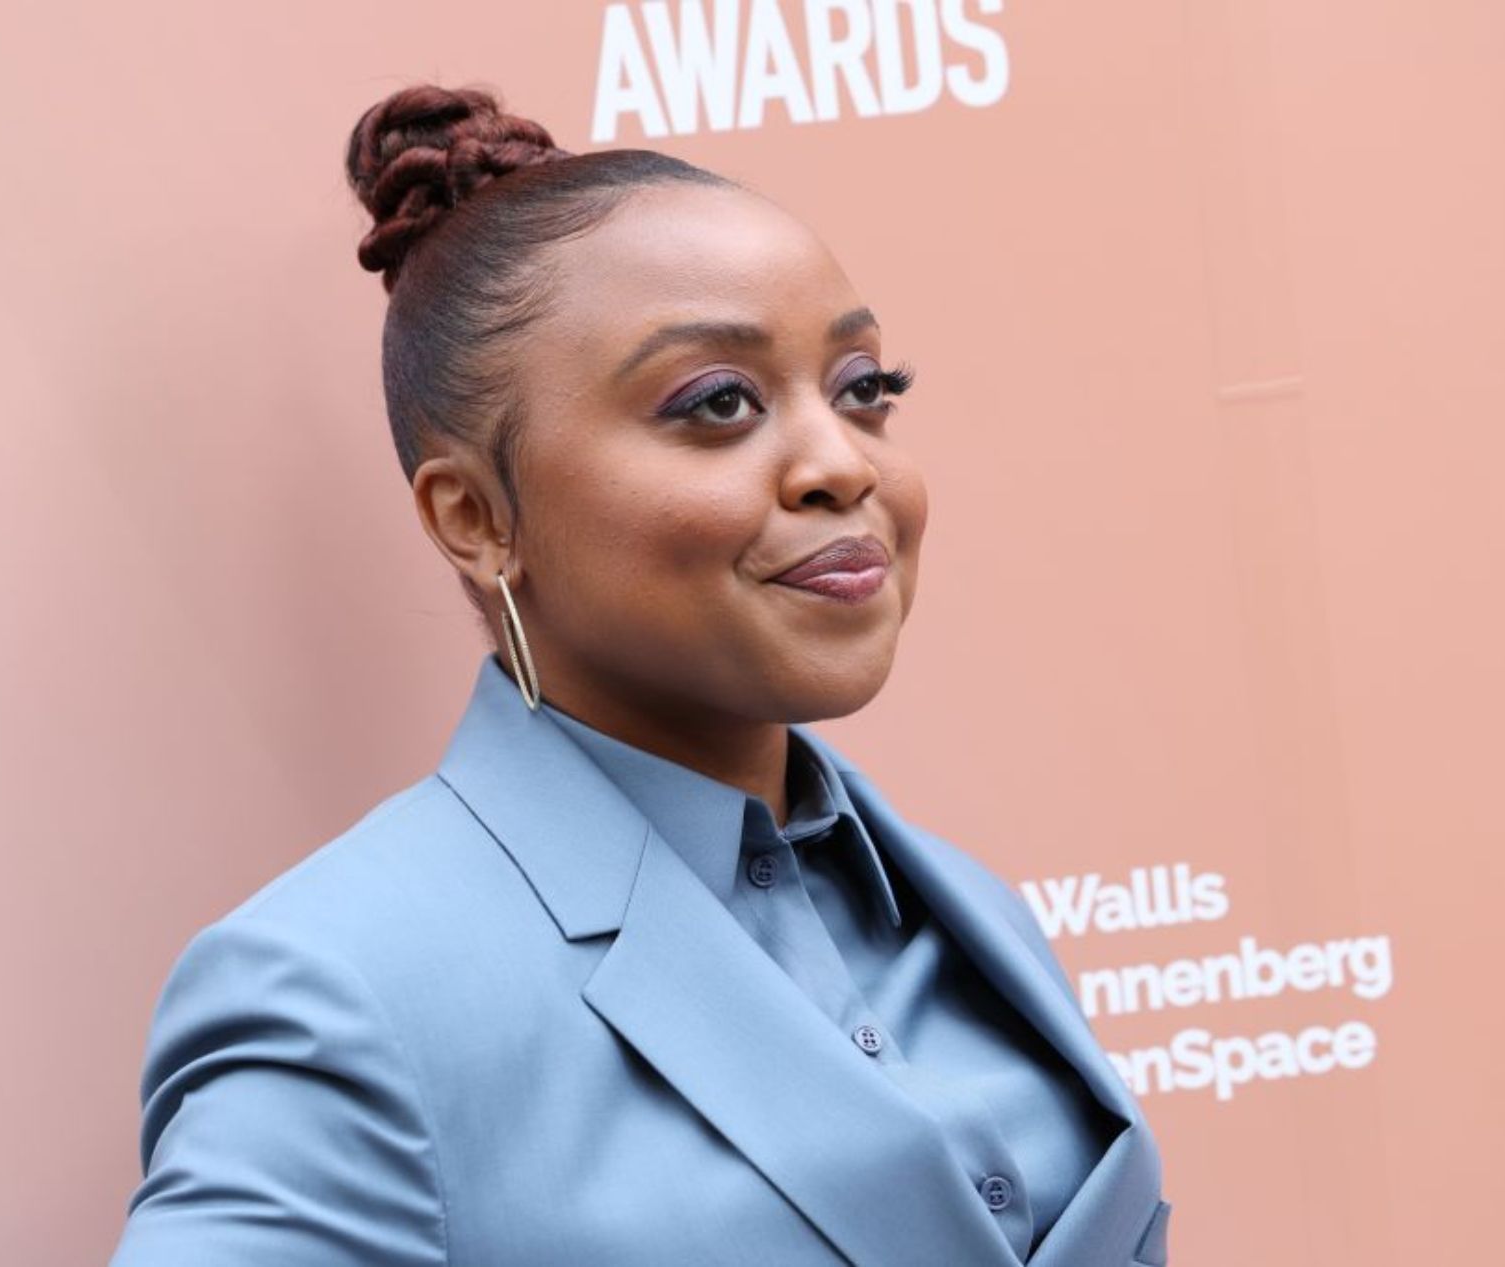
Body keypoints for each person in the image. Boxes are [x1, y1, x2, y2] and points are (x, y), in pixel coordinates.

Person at [107, 82, 1170, 1267]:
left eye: (864, 389)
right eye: (718, 404)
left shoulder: (966, 909)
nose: (839, 463)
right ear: (475, 518)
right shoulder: (342, 999)